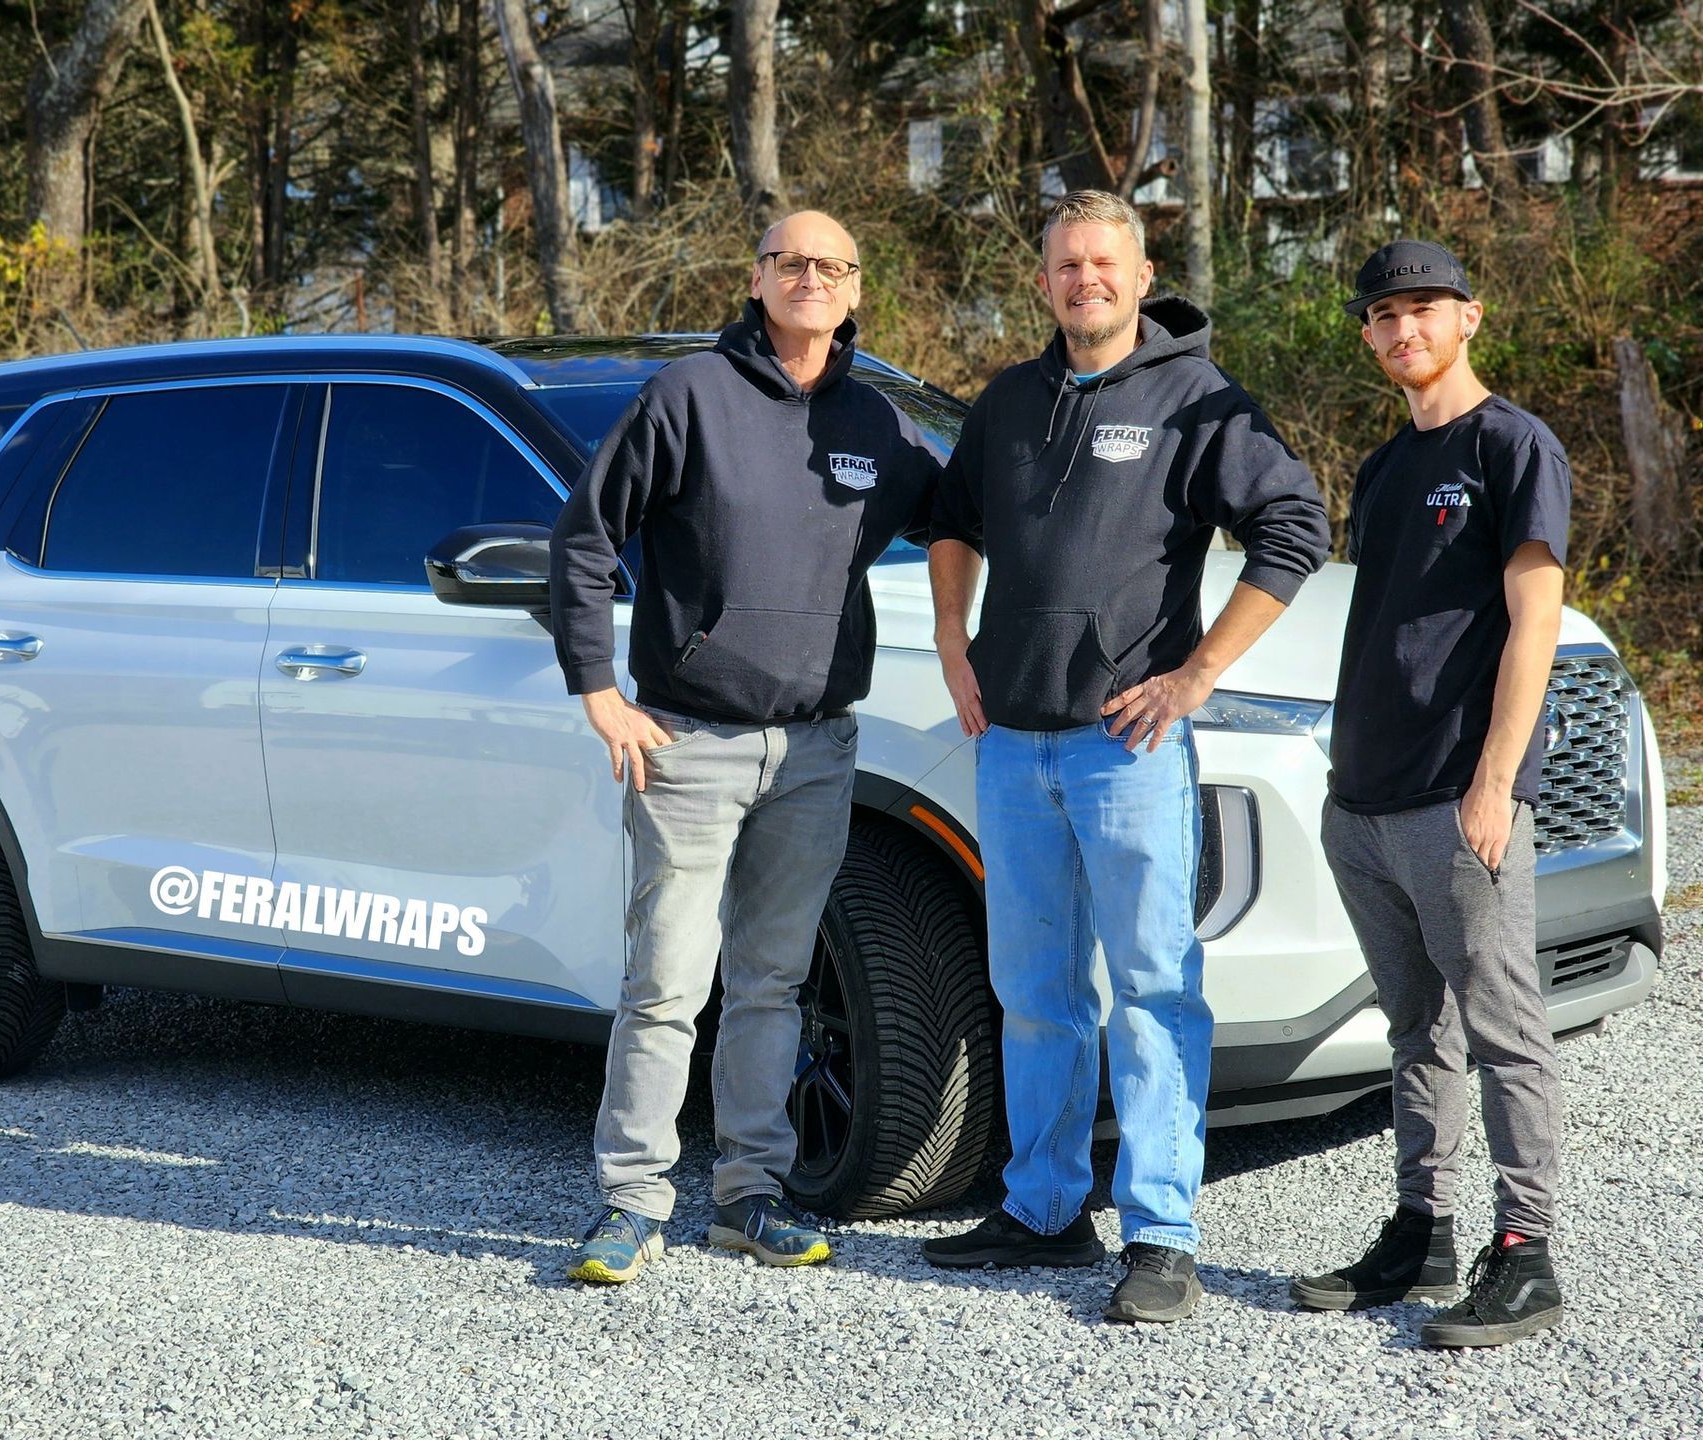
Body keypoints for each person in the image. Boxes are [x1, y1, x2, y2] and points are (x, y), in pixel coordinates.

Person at [923, 189, 1329, 1324]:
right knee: (1035, 993)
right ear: (1043, 279)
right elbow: (952, 519)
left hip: (1126, 745)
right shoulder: (1008, 400)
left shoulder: (1197, 400)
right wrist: (953, 639)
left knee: (1154, 990)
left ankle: (1161, 1235)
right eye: (1064, 263)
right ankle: (1046, 1211)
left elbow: (1295, 526)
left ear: (1142, 276)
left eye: (1103, 262)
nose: (1082, 280)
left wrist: (1197, 675)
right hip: (1011, 743)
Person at [548, 211, 941, 1284]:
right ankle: (630, 1202)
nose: (810, 278)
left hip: (815, 750)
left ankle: (749, 1195)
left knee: (772, 982)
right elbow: (584, 540)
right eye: (790, 261)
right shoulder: (690, 396)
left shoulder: (877, 424)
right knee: (667, 983)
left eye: (832, 265)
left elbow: (968, 518)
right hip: (690, 743)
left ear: (856, 289)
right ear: (757, 276)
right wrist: (600, 691)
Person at [1290, 240, 1571, 1348]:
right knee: (1416, 1029)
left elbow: (1534, 619)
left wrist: (1495, 781)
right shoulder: (1381, 467)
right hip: (1360, 798)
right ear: (1366, 336)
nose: (1403, 330)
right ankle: (1424, 1230)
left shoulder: (1514, 446)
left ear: (1470, 318)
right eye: (1383, 315)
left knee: (1505, 1030)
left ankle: (1530, 1254)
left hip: (1458, 798)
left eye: (1424, 310)